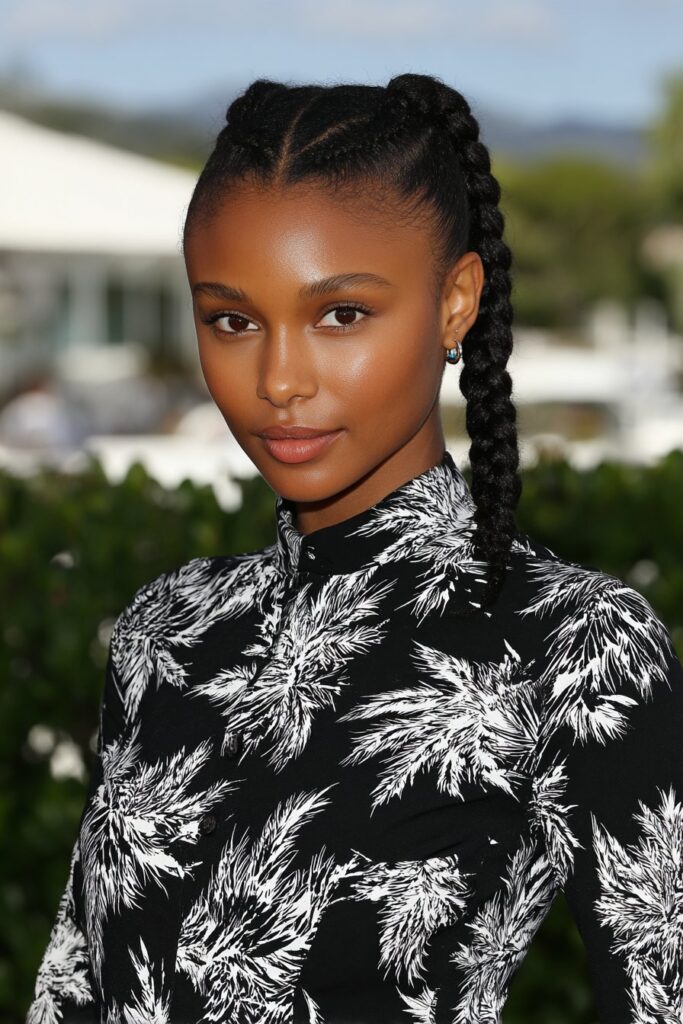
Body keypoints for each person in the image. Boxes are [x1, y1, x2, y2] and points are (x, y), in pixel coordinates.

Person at [27, 73, 683, 1024]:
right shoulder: (165, 629)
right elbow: (72, 985)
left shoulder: (576, 648)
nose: (279, 379)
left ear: (456, 301)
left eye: (341, 315)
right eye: (232, 320)